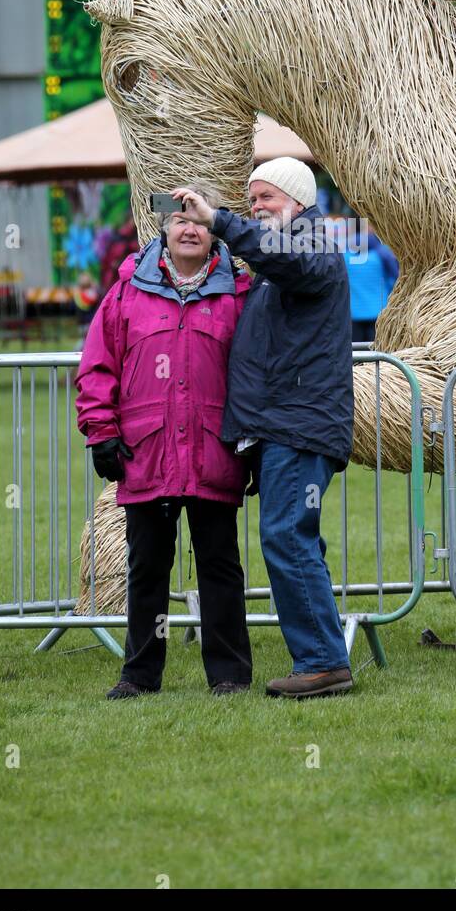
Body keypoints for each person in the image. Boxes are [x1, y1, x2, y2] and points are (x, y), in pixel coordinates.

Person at [171, 156, 355, 699]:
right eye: (251, 200)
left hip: (300, 428)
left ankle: (322, 662)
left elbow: (286, 260)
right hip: (284, 429)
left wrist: (222, 221)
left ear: (298, 202)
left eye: (266, 198)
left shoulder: (311, 244)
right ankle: (323, 658)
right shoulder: (281, 258)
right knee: (295, 538)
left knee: (286, 537)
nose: (256, 208)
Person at [75, 183, 253, 698]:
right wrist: (102, 432)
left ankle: (229, 673)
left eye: (198, 220)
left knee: (220, 564)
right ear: (164, 230)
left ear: (213, 227)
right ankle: (138, 675)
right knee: (147, 565)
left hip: (213, 448)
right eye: (179, 221)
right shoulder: (128, 291)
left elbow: (256, 373)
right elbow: (97, 366)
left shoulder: (238, 295)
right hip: (146, 449)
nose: (189, 229)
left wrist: (254, 440)